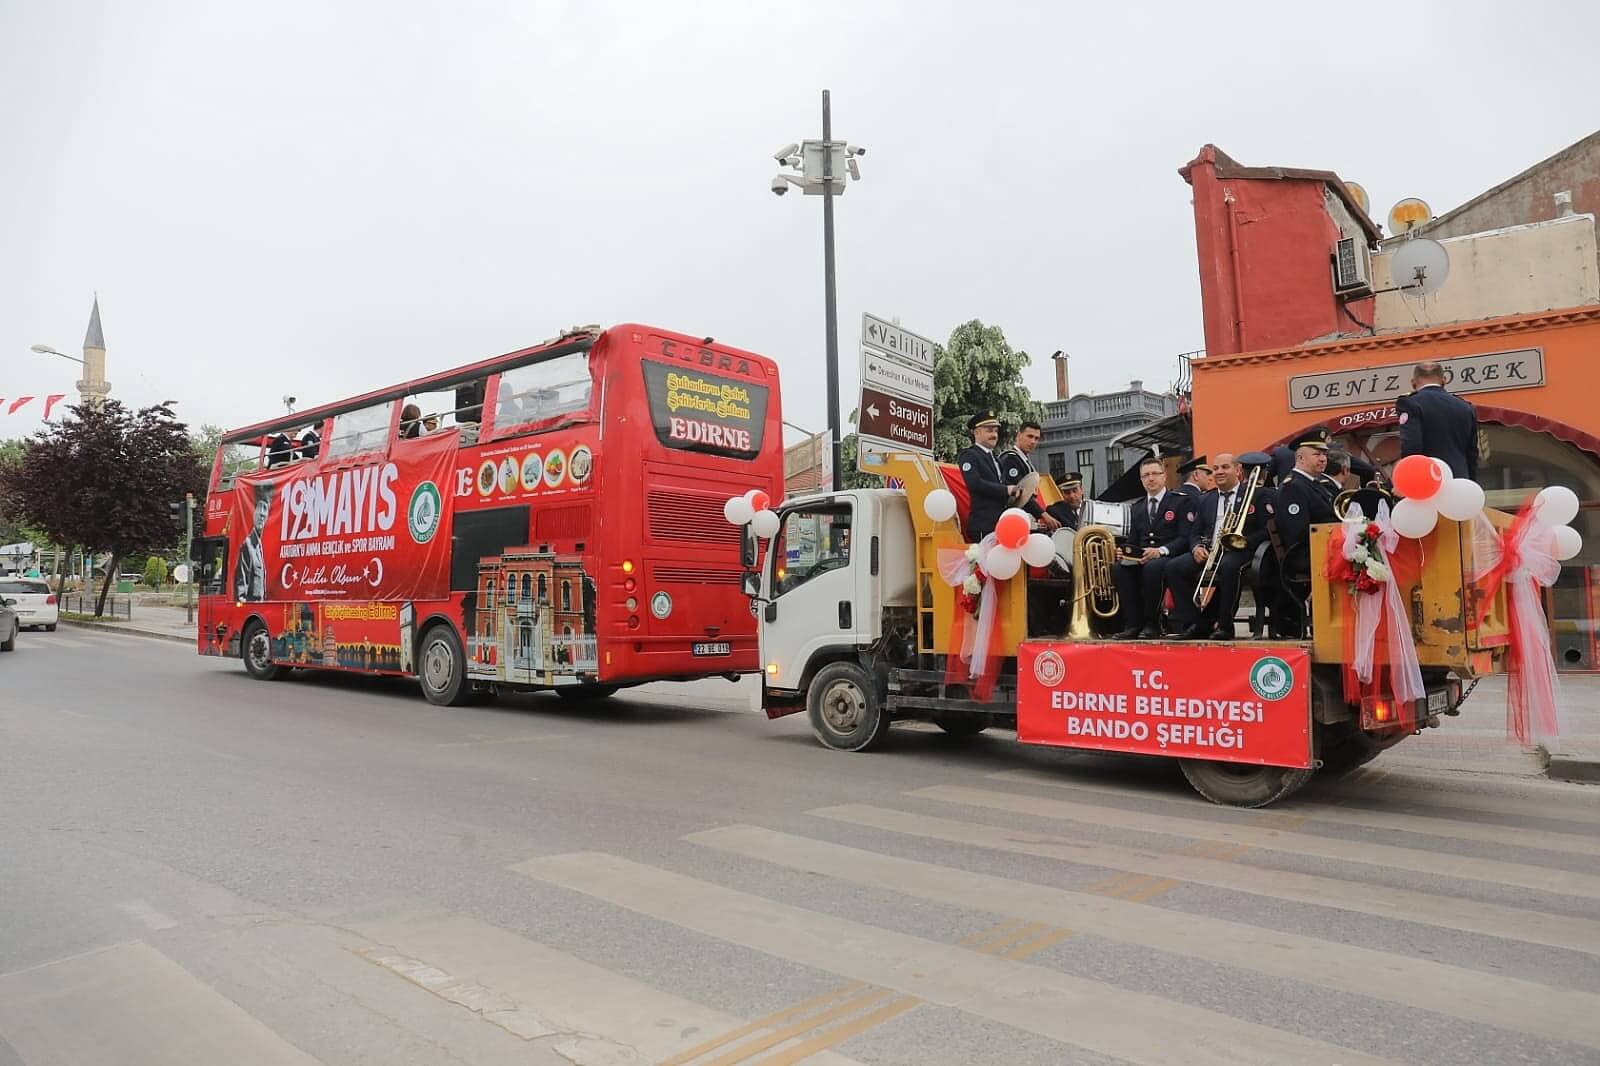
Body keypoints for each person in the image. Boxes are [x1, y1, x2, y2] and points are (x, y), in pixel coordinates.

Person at [1165, 453, 1275, 640]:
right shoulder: (1205, 499)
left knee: (1229, 567)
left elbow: (1268, 529)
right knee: (1173, 568)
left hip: (1240, 549)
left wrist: (1245, 541)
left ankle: (1225, 625)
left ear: (1238, 470)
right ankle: (1196, 622)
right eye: (1215, 469)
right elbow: (1195, 531)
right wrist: (1196, 547)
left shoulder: (1256, 494)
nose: (1219, 472)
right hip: (1210, 550)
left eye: (1225, 467)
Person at [1112, 456, 1188, 639]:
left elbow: (1185, 537)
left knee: (1153, 568)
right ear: (1141, 480)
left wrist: (1161, 551)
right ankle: (1132, 624)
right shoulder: (1137, 507)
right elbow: (1134, 539)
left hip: (1169, 556)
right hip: (1144, 556)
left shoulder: (1180, 502)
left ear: (1164, 477)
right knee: (1119, 569)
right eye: (1146, 475)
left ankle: (1152, 623)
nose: (1151, 478)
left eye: (1155, 474)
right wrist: (1124, 550)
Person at [1275, 430, 1337, 634]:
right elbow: (1298, 532)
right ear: (1300, 457)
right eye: (1317, 454)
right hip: (1305, 553)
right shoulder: (1294, 486)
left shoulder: (1315, 484)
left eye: (1324, 454)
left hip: (1321, 549)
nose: (1323, 459)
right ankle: (1332, 626)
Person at [1397, 360, 1478, 479]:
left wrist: (1407, 478)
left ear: (1413, 382)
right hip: (1460, 480)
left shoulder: (1409, 403)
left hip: (1428, 480)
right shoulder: (1466, 407)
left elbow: (1412, 446)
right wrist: (1471, 483)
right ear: (1444, 380)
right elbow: (1472, 453)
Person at [956, 412, 1010, 543]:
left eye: (996, 431)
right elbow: (974, 483)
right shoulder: (969, 455)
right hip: (983, 525)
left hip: (1000, 524)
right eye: (989, 430)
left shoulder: (996, 460)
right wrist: (1006, 490)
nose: (994, 435)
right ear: (976, 433)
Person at [999, 420, 1061, 532]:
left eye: (1036, 438)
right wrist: (1043, 515)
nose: (1033, 441)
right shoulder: (1011, 459)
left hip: (1024, 517)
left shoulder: (1024, 460)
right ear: (1019, 435)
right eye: (1030, 436)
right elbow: (1019, 495)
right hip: (1014, 520)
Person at [234, 480, 275, 602]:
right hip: (251, 609)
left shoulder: (259, 545)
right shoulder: (247, 545)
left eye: (265, 508)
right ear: (253, 511)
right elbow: (240, 595)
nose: (262, 514)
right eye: (259, 507)